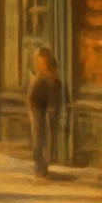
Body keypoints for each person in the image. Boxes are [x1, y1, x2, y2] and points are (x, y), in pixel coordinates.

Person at [27, 47, 62, 178]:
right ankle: (38, 165)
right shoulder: (38, 78)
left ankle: (44, 165)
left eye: (44, 62)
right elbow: (31, 96)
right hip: (37, 110)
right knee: (38, 138)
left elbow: (57, 92)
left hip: (48, 110)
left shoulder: (53, 76)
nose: (42, 65)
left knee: (48, 139)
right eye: (39, 62)